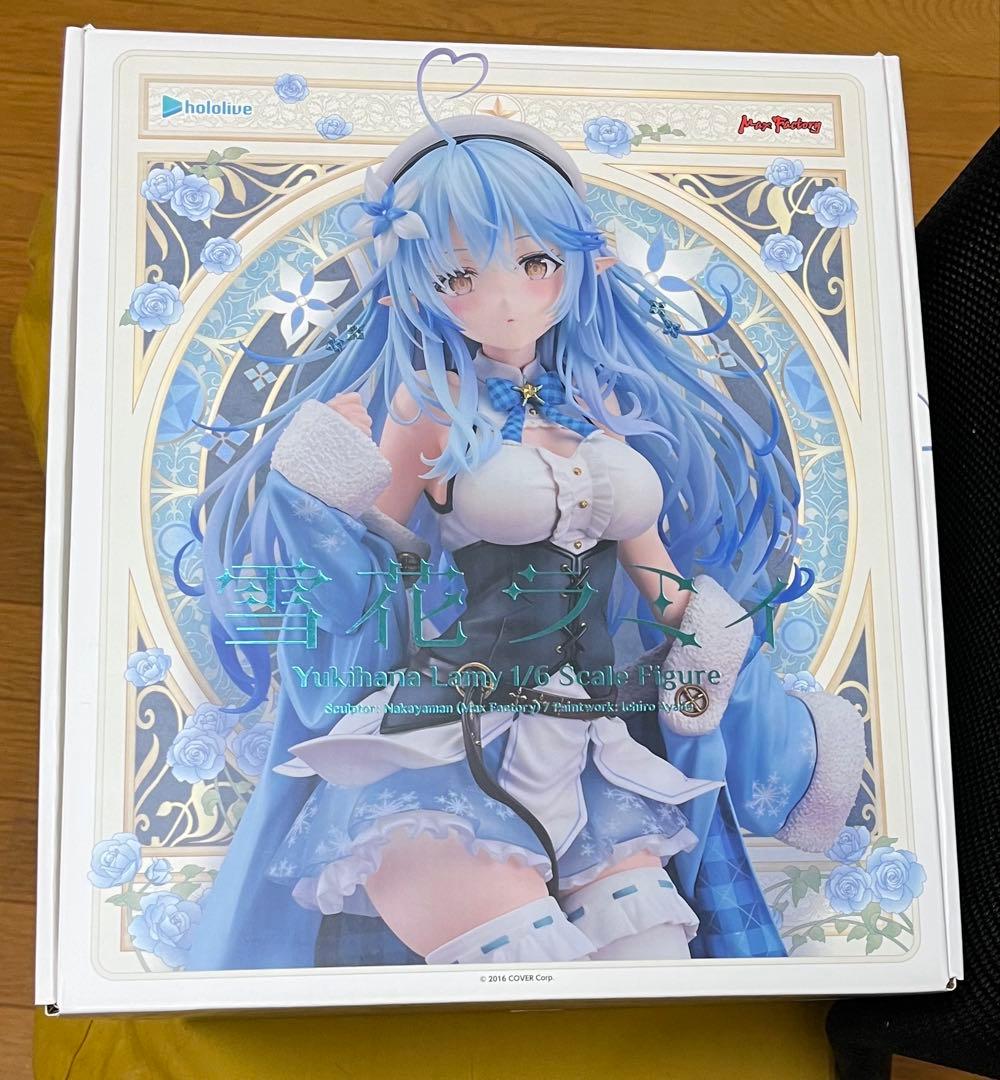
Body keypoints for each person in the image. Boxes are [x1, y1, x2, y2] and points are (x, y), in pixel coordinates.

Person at [184, 49, 865, 971]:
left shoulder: (599, 408)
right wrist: (324, 487)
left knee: (653, 963)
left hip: (589, 744)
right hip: (453, 743)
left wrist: (720, 658)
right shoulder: (426, 407)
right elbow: (368, 584)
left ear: (580, 259)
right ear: (413, 282)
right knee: (530, 963)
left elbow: (657, 577)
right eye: (458, 276)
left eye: (535, 261)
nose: (505, 298)